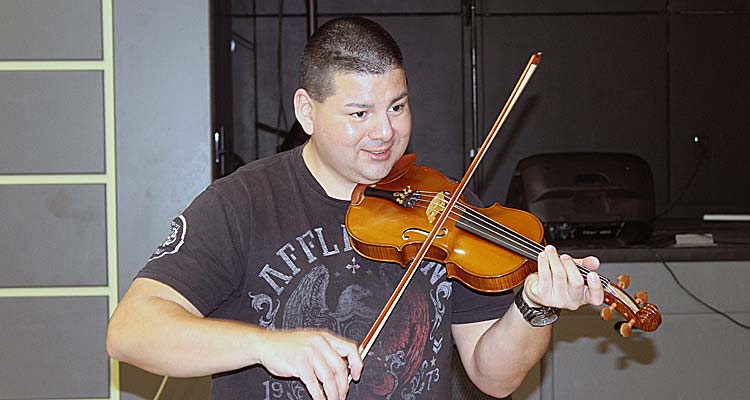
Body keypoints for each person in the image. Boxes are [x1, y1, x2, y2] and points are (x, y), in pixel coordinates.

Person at [106, 16, 604, 400]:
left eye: (397, 106)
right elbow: (131, 331)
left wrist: (534, 308)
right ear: (307, 111)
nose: (385, 132)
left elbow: (493, 378)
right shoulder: (243, 203)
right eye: (359, 113)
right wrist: (267, 345)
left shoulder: (446, 206)